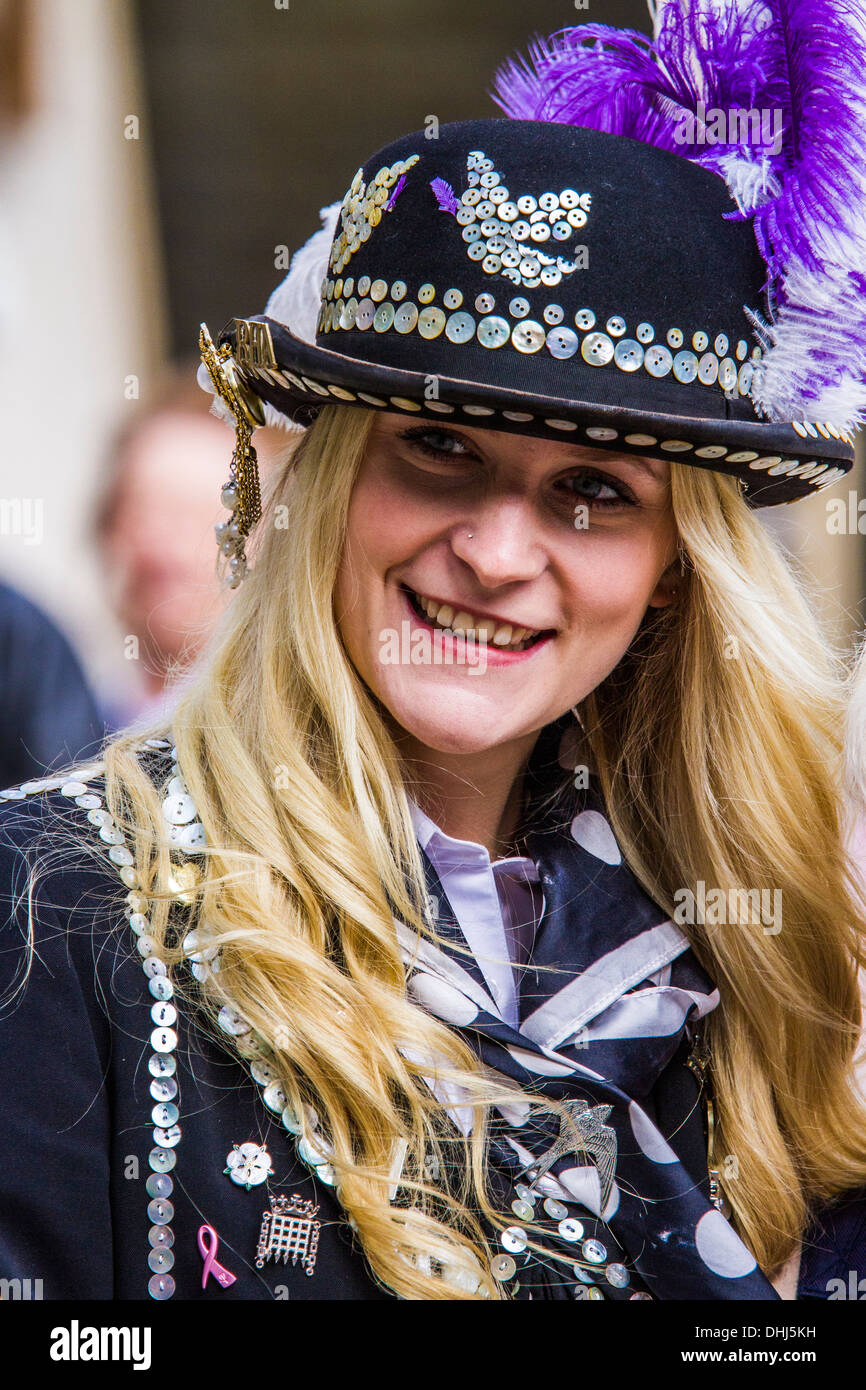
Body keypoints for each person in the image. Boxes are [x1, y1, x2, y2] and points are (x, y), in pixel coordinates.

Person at [2, 1, 866, 1302]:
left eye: (592, 490)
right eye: (440, 450)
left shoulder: (764, 954)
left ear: (673, 576)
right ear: (328, 489)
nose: (499, 551)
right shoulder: (45, 906)